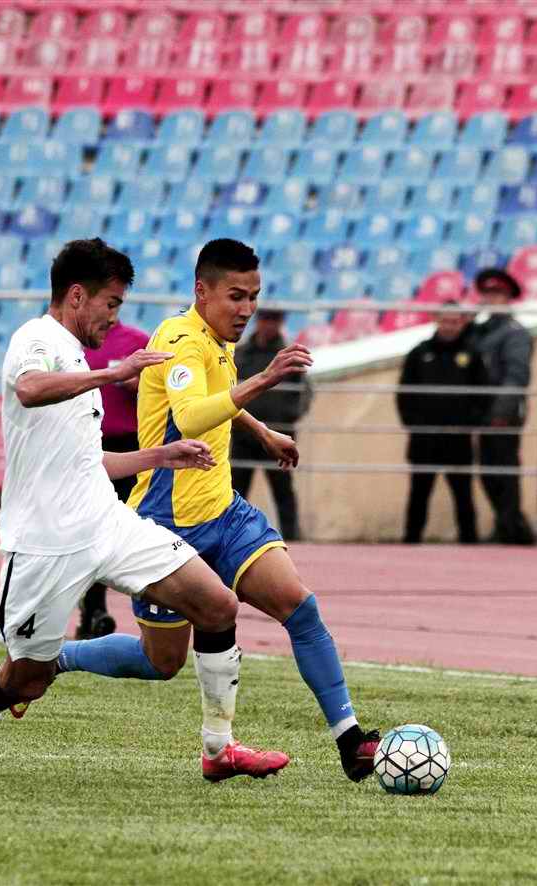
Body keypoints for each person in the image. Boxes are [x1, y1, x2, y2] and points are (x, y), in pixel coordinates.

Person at [0, 239, 289, 783]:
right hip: (45, 543)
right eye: (111, 304)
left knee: (217, 605)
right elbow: (30, 389)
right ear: (77, 296)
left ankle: (218, 749)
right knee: (26, 679)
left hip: (107, 523)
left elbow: (88, 462)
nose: (115, 317)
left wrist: (161, 455)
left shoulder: (79, 356)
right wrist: (113, 373)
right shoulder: (36, 339)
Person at [57, 238, 383, 782]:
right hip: (165, 527)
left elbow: (220, 394)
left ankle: (351, 740)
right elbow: (189, 416)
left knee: (299, 608)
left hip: (224, 515)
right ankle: (58, 657)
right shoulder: (180, 342)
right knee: (160, 662)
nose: (247, 309)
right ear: (201, 291)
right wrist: (266, 379)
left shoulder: (216, 338)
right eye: (236, 296)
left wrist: (263, 431)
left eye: (254, 296)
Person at [76, 317, 151, 640]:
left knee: (125, 529)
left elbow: (163, 391)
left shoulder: (137, 341)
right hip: (85, 445)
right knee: (90, 529)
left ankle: (149, 613)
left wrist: (140, 385)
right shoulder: (73, 344)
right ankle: (94, 611)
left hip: (128, 447)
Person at [397, 300, 491, 544]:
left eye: (455, 321)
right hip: (424, 439)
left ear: (462, 323)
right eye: (445, 321)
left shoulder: (473, 354)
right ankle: (410, 542)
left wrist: (469, 424)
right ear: (436, 320)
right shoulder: (419, 353)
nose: (450, 326)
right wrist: (415, 424)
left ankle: (470, 543)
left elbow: (483, 396)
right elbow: (404, 394)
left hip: (458, 439)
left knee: (464, 495)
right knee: (419, 494)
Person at [230, 308, 312, 541]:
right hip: (244, 435)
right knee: (236, 492)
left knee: (283, 491)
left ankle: (293, 537)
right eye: (266, 319)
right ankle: (231, 538)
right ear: (258, 321)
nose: (269, 324)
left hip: (278, 435)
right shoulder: (241, 353)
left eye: (275, 319)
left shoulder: (288, 356)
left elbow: (305, 392)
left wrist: (288, 417)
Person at [471, 268, 537, 545]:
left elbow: (516, 376)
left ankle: (511, 527)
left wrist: (501, 412)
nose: (491, 298)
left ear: (508, 297)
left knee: (504, 470)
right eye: (487, 293)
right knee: (488, 471)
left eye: (497, 293)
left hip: (503, 412)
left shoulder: (514, 333)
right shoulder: (481, 331)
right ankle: (511, 525)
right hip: (483, 411)